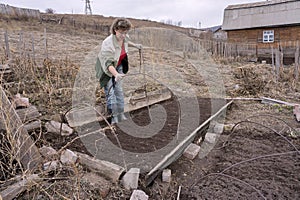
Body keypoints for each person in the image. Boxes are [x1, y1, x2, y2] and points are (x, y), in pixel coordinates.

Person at [95, 18, 142, 124]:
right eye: (121, 32)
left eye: (126, 32)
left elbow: (126, 41)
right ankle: (114, 117)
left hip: (119, 64)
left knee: (119, 91)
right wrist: (115, 74)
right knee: (110, 92)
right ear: (115, 29)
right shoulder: (108, 43)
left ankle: (121, 114)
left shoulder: (124, 37)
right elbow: (107, 64)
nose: (124, 35)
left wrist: (136, 46)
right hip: (106, 68)